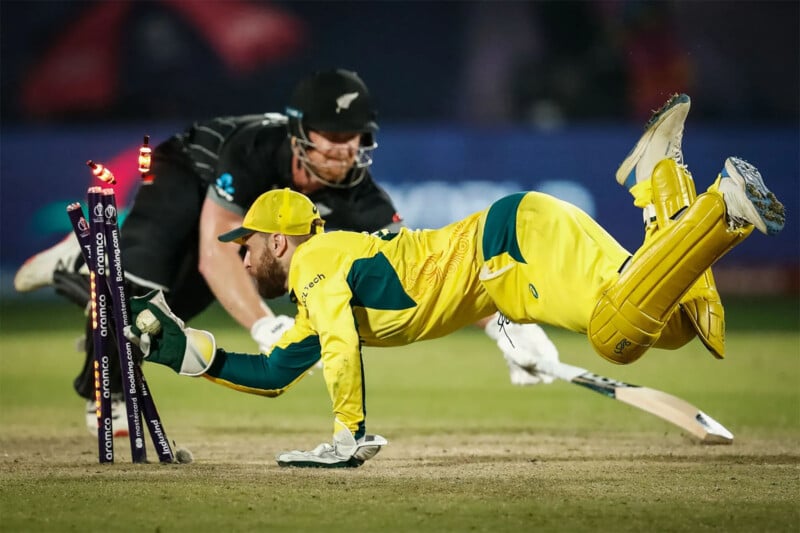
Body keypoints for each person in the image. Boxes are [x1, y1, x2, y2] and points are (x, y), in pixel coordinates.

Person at [123, 119, 785, 468]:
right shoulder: (319, 280)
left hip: (516, 243)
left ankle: (719, 207)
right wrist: (181, 350)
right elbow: (273, 372)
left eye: (247, 244)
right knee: (662, 326)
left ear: (278, 242)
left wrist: (348, 433)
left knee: (616, 335)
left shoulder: (317, 261)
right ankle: (663, 184)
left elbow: (342, 348)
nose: (239, 254)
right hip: (514, 263)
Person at [13, 68, 560, 436]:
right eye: (333, 136)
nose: (345, 151)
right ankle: (104, 381)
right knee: (145, 275)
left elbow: (419, 274)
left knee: (164, 311)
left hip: (236, 230)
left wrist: (501, 325)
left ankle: (82, 270)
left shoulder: (359, 196)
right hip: (188, 173)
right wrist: (263, 328)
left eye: (355, 138)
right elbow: (212, 252)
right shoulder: (255, 149)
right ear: (301, 132)